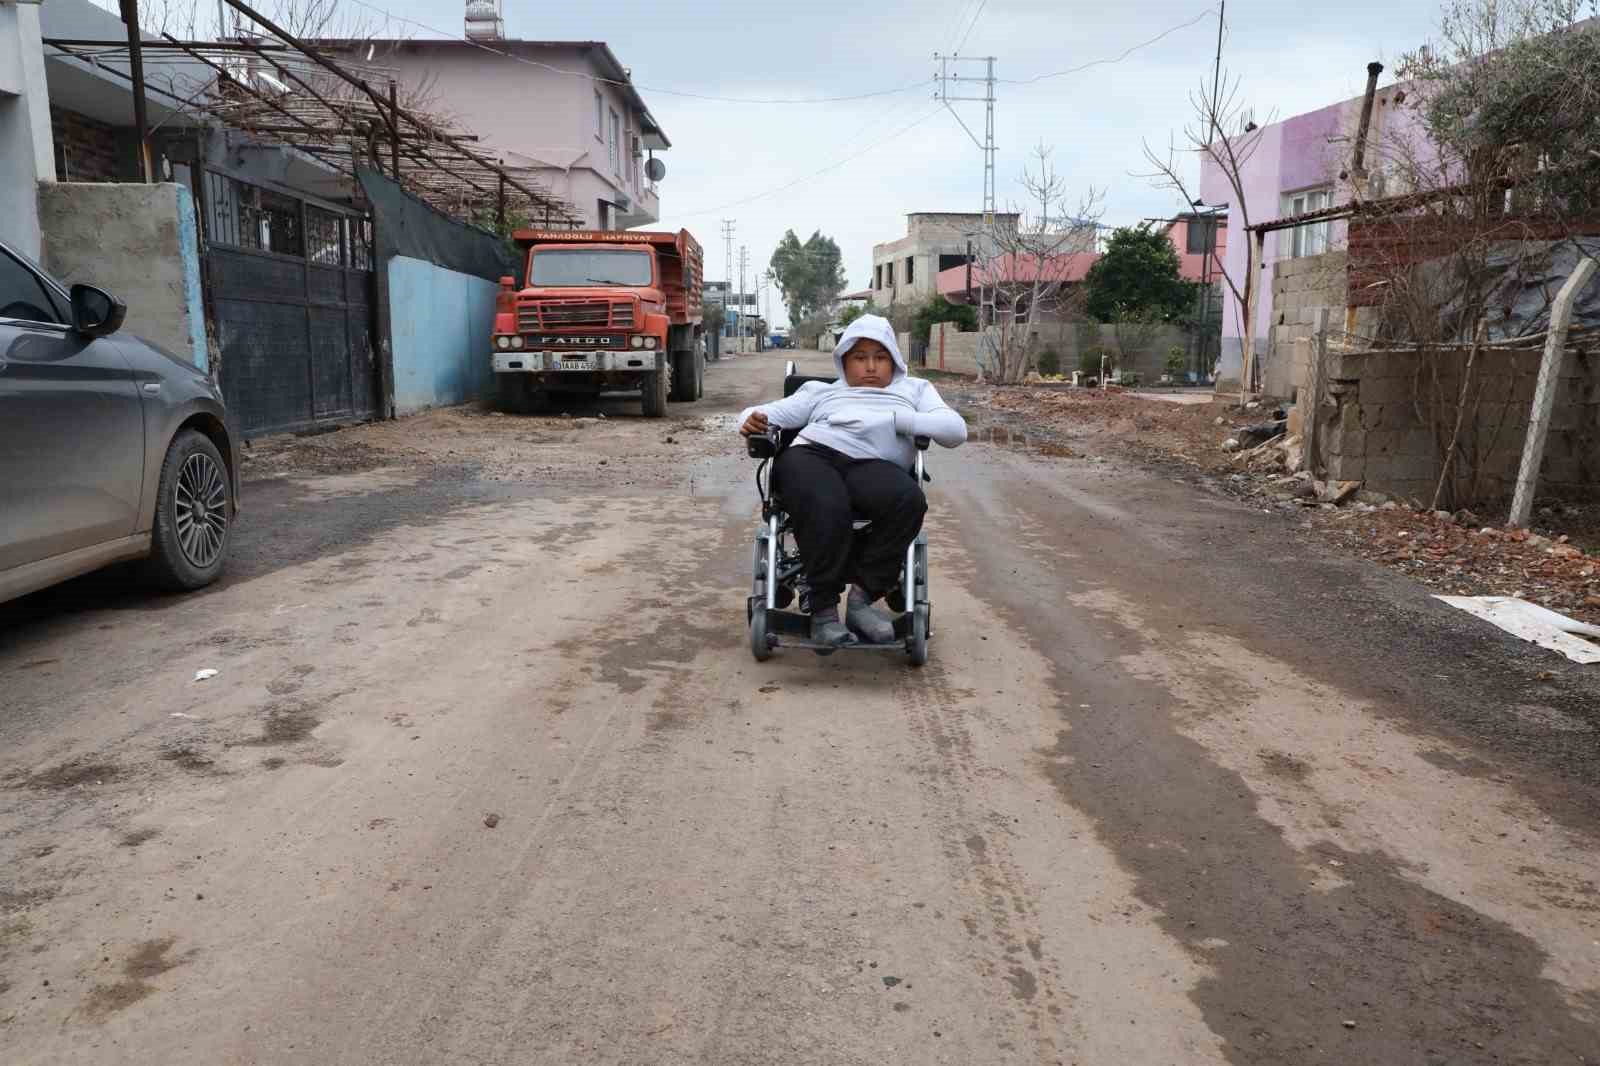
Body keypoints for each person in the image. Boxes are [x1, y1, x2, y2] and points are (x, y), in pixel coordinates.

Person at [738, 314, 967, 646]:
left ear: (895, 359)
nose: (871, 367)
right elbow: (761, 412)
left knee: (909, 500)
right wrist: (750, 420)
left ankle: (861, 602)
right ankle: (824, 613)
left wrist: (899, 420)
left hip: (873, 465)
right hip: (813, 455)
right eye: (860, 358)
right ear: (844, 360)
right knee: (827, 503)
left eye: (881, 356)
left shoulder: (915, 390)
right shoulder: (821, 391)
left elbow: (955, 430)